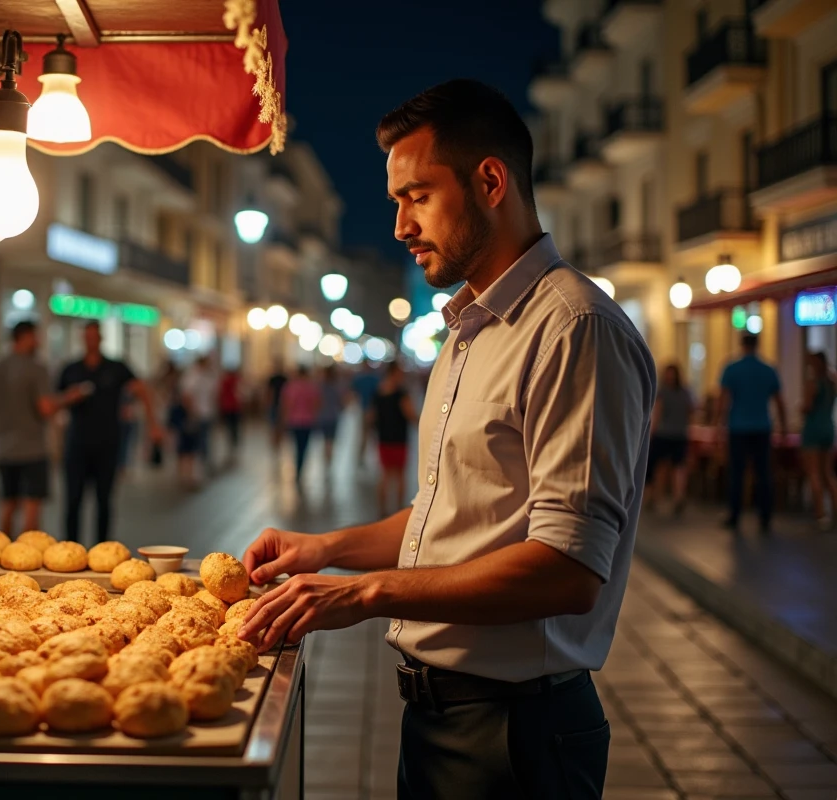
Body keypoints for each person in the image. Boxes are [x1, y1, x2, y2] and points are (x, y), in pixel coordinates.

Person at [238, 80, 655, 799]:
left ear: (489, 180)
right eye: (398, 201)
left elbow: (568, 571)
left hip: (515, 733)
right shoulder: (467, 333)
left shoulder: (572, 328)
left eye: (418, 196)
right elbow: (449, 517)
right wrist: (328, 550)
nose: (400, 225)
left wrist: (364, 595)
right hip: (440, 717)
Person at [58, 321, 161, 544]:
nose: (91, 340)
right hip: (77, 444)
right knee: (73, 500)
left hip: (107, 443)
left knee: (104, 500)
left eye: (94, 336)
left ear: (100, 338)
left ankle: (102, 549)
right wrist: (70, 397)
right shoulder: (71, 369)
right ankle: (71, 548)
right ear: (82, 339)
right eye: (87, 336)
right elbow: (53, 402)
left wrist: (153, 425)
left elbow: (142, 390)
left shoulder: (115, 367)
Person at [0, 321, 56, 538]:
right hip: (32, 448)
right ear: (25, 337)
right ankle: (26, 555)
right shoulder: (36, 368)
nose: (38, 342)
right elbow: (46, 408)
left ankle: (3, 550)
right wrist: (69, 399)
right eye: (36, 336)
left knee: (7, 502)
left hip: (2, 447)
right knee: (31, 505)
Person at [717, 334, 786, 534]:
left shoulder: (732, 368)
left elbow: (723, 399)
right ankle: (765, 516)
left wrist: (719, 425)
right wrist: (783, 427)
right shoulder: (768, 369)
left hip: (738, 427)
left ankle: (734, 515)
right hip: (762, 427)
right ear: (757, 345)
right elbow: (779, 401)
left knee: (737, 473)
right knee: (763, 472)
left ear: (742, 345)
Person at [646, 364, 694, 516]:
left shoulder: (662, 392)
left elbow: (657, 414)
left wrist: (650, 433)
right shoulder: (685, 392)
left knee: (657, 467)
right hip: (680, 434)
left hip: (663, 433)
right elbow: (691, 412)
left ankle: (653, 497)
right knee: (678, 467)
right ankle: (678, 497)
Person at [372, 361, 416, 515]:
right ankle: (398, 510)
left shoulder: (379, 391)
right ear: (394, 373)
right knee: (400, 475)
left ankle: (382, 510)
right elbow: (410, 414)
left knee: (384, 475)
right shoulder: (401, 393)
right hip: (399, 439)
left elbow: (371, 416)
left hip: (383, 438)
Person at [800, 351, 837, 529]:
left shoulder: (813, 383)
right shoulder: (832, 382)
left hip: (814, 428)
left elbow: (807, 406)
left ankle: (820, 514)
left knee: (814, 473)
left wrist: (801, 408)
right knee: (828, 473)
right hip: (828, 427)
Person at [279, 365, 321, 485]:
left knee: (296, 446)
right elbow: (316, 404)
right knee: (304, 447)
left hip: (294, 421)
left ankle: (298, 468)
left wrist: (283, 420)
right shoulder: (312, 387)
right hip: (307, 421)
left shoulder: (290, 387)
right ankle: (300, 467)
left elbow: (286, 405)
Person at [179, 356, 220, 474]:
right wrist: (192, 413)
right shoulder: (192, 377)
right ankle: (195, 470)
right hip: (197, 414)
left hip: (207, 413)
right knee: (195, 444)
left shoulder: (208, 377)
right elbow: (187, 396)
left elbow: (212, 395)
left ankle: (204, 466)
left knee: (205, 441)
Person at [351, 362, 381, 466]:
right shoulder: (373, 379)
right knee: (370, 435)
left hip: (368, 409)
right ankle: (368, 457)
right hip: (371, 410)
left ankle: (363, 457)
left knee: (366, 435)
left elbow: (354, 393)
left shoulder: (362, 379)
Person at [316, 366, 346, 470]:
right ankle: (329, 459)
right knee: (330, 440)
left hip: (324, 416)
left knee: (326, 440)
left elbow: (317, 402)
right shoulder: (337, 387)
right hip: (333, 416)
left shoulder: (321, 387)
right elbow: (342, 402)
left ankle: (327, 459)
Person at [219, 368, 244, 464]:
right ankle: (233, 448)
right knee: (234, 429)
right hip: (233, 407)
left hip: (229, 407)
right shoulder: (235, 381)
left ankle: (232, 448)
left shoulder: (226, 381)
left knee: (231, 429)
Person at [266, 360, 288, 451]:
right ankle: (276, 442)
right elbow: (270, 392)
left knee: (276, 425)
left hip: (279, 404)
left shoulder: (284, 378)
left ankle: (277, 442)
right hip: (276, 404)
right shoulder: (274, 379)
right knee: (275, 425)